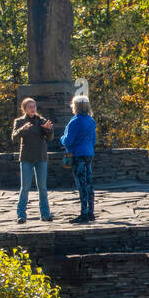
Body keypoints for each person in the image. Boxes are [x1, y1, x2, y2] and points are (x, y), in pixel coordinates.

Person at [11, 97, 55, 224]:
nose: (32, 109)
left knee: (42, 187)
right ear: (24, 109)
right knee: (25, 187)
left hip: (41, 157)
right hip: (26, 158)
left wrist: (48, 129)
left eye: (34, 106)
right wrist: (22, 129)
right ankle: (21, 215)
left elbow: (50, 137)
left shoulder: (41, 120)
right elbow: (14, 138)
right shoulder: (19, 121)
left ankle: (45, 214)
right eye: (29, 107)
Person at [60, 95, 96, 223]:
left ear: (76, 106)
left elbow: (68, 141)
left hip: (78, 154)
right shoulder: (91, 121)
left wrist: (62, 139)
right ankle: (91, 211)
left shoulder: (75, 121)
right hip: (89, 153)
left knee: (81, 183)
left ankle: (84, 213)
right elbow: (94, 140)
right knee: (89, 182)